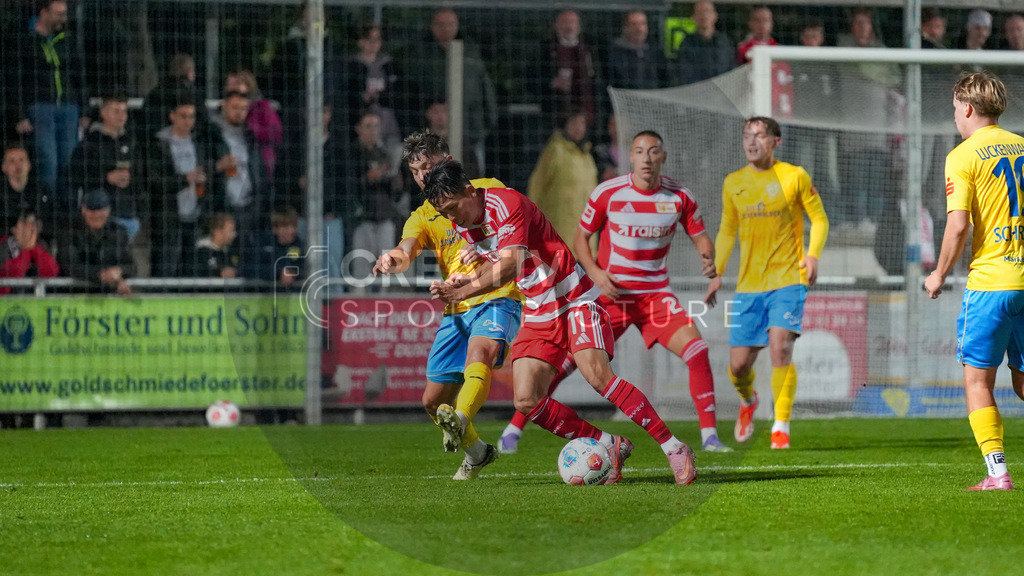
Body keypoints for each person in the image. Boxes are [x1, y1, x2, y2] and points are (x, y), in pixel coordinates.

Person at [427, 158, 698, 486]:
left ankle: (674, 447)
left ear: (469, 191)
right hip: (538, 309)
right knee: (526, 399)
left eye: (452, 208)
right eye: (444, 213)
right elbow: (495, 261)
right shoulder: (464, 223)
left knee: (598, 376)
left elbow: (511, 264)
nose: (451, 218)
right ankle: (608, 443)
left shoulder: (507, 203)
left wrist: (463, 292)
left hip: (573, 298)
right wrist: (466, 280)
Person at [499, 131, 729, 455]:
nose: (646, 158)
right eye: (639, 151)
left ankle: (710, 438)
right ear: (630, 157)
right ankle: (513, 429)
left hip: (655, 297)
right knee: (565, 364)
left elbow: (701, 236)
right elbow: (580, 238)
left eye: (653, 152)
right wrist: (595, 274)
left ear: (663, 157)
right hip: (610, 295)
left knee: (697, 351)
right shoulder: (608, 192)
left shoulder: (680, 196)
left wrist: (709, 262)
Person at [372, 130, 522, 480]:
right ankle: (478, 453)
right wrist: (393, 260)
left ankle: (463, 417)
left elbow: (512, 235)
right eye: (414, 171)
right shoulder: (423, 215)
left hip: (497, 293)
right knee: (432, 400)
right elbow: (407, 249)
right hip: (456, 306)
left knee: (480, 353)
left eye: (427, 166)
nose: (422, 175)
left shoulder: (485, 189)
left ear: (447, 160)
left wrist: (486, 249)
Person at [924, 72, 1024, 491]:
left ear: (966, 108)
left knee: (978, 381)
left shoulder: (963, 155)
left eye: (954, 109)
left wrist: (939, 273)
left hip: (992, 283)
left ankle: (997, 474)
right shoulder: (1022, 145)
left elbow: (958, 225)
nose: (954, 117)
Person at [708, 116, 829, 450]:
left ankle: (780, 425)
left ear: (777, 141)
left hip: (789, 278)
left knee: (780, 347)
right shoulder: (733, 182)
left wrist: (812, 255)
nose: (752, 141)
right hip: (749, 286)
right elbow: (727, 230)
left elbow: (819, 219)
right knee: (738, 366)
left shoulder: (795, 176)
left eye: (760, 135)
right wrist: (717, 271)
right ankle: (748, 401)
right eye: (747, 135)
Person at [4, 0, 85, 199]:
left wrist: (84, 109)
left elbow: (78, 74)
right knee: (48, 161)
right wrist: (19, 113)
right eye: (59, 14)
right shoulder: (24, 39)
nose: (63, 19)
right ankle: (49, 207)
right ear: (44, 12)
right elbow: (14, 79)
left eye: (64, 14)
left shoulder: (67, 39)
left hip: (68, 106)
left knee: (69, 162)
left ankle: (68, 208)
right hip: (40, 108)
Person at [527, 111, 598, 249]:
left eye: (582, 123)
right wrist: (531, 216)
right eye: (574, 123)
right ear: (565, 125)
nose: (579, 127)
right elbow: (537, 184)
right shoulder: (555, 150)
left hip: (585, 230)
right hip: (561, 229)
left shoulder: (586, 154)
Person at [58, 188, 133, 295]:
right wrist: (100, 274)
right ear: (84, 210)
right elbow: (69, 265)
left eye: (101, 216)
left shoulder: (118, 231)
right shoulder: (70, 230)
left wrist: (119, 271)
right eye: (93, 216)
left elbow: (131, 265)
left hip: (107, 292)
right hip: (74, 292)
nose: (97, 218)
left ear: (108, 211)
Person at [535, 10, 598, 130]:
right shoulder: (545, 49)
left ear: (578, 25)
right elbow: (533, 77)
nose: (569, 26)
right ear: (556, 25)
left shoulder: (590, 47)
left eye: (572, 22)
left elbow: (598, 77)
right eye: (564, 22)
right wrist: (551, 82)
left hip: (586, 108)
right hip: (556, 109)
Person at [1, 210, 59, 295]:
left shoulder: (40, 245)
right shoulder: (3, 245)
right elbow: (14, 274)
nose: (32, 228)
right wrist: (25, 249)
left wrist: (33, 248)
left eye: (34, 224)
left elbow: (51, 272)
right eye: (27, 224)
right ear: (14, 229)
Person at [676, 1, 734, 85]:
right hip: (696, 91)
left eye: (707, 11)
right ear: (693, 18)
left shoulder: (725, 42)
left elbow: (731, 71)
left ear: (715, 16)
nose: (704, 16)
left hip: (722, 89)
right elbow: (685, 74)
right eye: (700, 12)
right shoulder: (687, 44)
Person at [247, 205, 304, 291]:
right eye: (285, 226)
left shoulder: (301, 246)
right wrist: (279, 273)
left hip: (293, 295)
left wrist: (293, 273)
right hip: (265, 294)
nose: (290, 230)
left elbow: (307, 270)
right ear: (275, 228)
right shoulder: (263, 244)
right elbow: (251, 269)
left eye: (294, 226)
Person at [606, 11, 667, 91]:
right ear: (625, 28)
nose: (639, 28)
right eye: (633, 24)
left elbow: (665, 79)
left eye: (642, 23)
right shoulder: (614, 53)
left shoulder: (656, 51)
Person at [188, 212, 240, 278]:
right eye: (231, 230)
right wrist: (219, 273)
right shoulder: (199, 254)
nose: (235, 234)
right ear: (218, 232)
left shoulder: (232, 252)